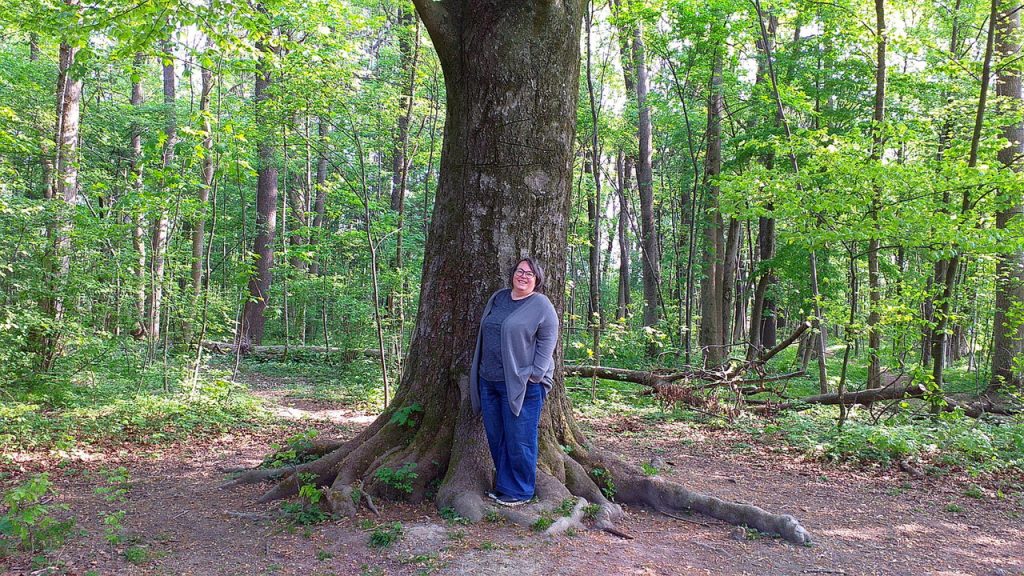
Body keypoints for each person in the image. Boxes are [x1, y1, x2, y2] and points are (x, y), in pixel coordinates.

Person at [469, 257, 559, 507]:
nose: (523, 276)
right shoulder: (498, 298)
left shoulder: (541, 305)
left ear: (537, 280)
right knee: (497, 435)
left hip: (523, 384)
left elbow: (548, 339)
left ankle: (521, 491)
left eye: (529, 274)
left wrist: (535, 373)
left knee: (520, 437)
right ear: (512, 274)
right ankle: (505, 487)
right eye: (520, 271)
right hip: (489, 380)